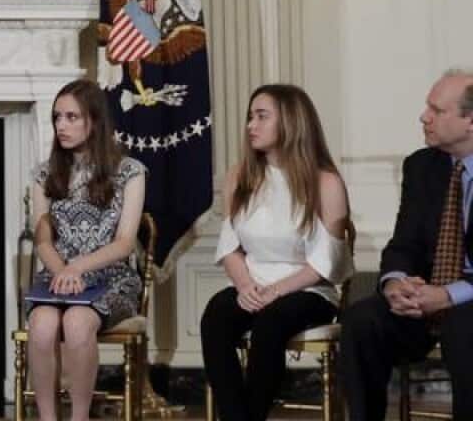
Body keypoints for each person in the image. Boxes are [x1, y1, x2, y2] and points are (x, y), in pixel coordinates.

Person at [199, 84, 352, 421]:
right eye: (250, 117)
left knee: (271, 322)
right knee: (217, 315)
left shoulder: (325, 182)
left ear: (291, 122)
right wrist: (245, 286)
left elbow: (327, 262)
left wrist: (276, 291)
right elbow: (230, 246)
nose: (251, 125)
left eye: (262, 116)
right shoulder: (240, 177)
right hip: (254, 285)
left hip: (307, 288)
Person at [342, 69, 473, 421]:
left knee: (464, 326)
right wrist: (396, 282)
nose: (423, 117)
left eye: (436, 110)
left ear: (470, 121)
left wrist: (448, 295)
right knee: (362, 322)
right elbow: (403, 244)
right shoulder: (421, 166)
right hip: (422, 297)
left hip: (468, 298)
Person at [25, 78, 145, 421]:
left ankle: (79, 417)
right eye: (57, 117)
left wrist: (78, 268)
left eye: (71, 117)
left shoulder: (129, 172)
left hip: (111, 278)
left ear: (94, 121)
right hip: (58, 278)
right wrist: (63, 271)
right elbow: (44, 240)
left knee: (77, 323)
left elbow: (124, 243)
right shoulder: (44, 174)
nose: (61, 125)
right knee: (43, 325)